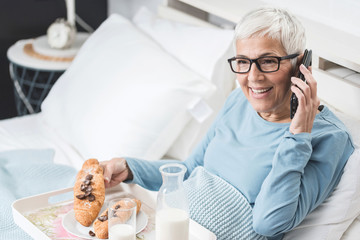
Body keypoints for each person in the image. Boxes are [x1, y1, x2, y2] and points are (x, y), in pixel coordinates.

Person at [100, 7, 354, 240]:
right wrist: (130, 167)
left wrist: (298, 135)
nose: (253, 78)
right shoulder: (239, 101)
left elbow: (269, 222)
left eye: (268, 61)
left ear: (299, 65)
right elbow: (189, 169)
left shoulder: (328, 137)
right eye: (243, 62)